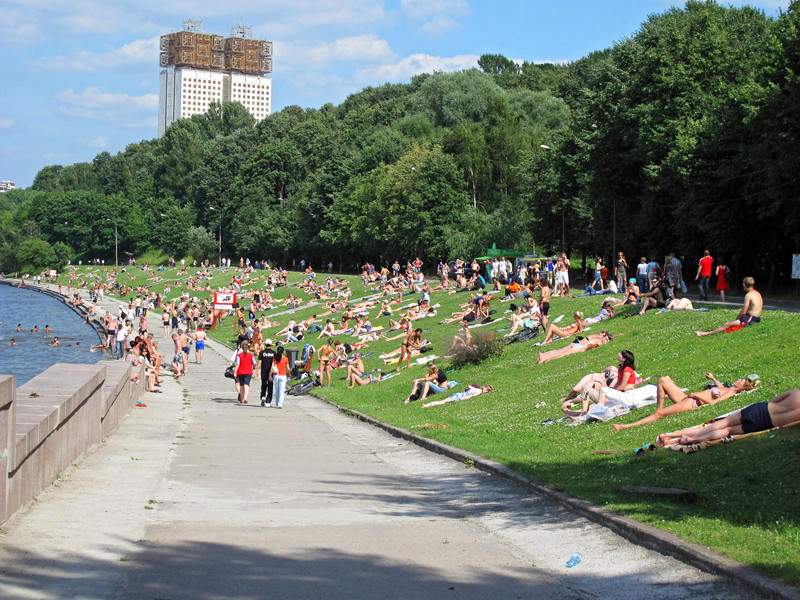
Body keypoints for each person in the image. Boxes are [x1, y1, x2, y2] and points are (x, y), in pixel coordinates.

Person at [656, 389, 800, 447]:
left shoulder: (796, 393)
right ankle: (692, 439)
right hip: (766, 423)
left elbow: (774, 400)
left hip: (762, 410)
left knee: (725, 422)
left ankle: (671, 435)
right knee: (728, 430)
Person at [613, 372, 756, 431]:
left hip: (693, 403)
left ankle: (626, 426)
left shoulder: (729, 393)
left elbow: (714, 403)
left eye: (741, 380)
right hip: (689, 398)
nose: (738, 380)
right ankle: (660, 407)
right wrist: (713, 378)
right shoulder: (727, 388)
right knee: (664, 379)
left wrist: (697, 395)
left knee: (660, 414)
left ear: (742, 386)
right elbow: (719, 388)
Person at [562, 349, 636, 418]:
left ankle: (582, 414)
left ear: (624, 359)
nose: (618, 354)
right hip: (616, 393)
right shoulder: (620, 368)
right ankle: (583, 412)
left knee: (593, 394)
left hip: (623, 395)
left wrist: (609, 392)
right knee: (586, 388)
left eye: (621, 354)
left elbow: (622, 386)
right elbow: (618, 384)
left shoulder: (627, 370)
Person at [695, 277, 762, 337]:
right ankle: (706, 333)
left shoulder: (749, 295)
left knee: (727, 325)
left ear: (744, 285)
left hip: (751, 318)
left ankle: (703, 334)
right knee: (729, 325)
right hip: (755, 317)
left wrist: (737, 319)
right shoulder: (757, 293)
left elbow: (744, 311)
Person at [537, 331, 615, 364]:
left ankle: (544, 355)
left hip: (577, 343)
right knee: (560, 354)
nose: (605, 339)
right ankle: (544, 358)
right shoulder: (600, 341)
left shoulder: (596, 338)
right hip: (578, 347)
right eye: (606, 338)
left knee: (559, 352)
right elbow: (591, 346)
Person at [422, 384, 494, 408]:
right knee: (442, 402)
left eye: (487, 391)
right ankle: (426, 405)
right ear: (484, 387)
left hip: (459, 394)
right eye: (486, 389)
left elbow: (469, 386)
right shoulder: (478, 391)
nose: (486, 391)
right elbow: (470, 396)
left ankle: (427, 404)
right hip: (459, 396)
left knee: (443, 401)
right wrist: (462, 399)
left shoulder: (477, 389)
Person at [257, 339, 276, 406]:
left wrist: (257, 370)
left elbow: (260, 362)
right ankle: (268, 401)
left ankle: (263, 396)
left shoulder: (262, 353)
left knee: (264, 384)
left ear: (265, 344)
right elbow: (275, 363)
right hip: (271, 372)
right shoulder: (274, 353)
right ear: (271, 344)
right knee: (270, 386)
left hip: (263, 371)